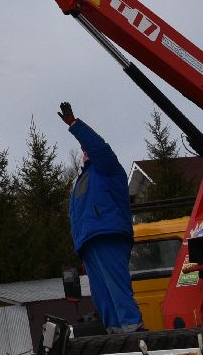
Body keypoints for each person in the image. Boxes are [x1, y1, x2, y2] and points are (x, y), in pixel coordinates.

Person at [60, 101, 143, 334]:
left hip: (107, 234)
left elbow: (98, 146)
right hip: (89, 242)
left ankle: (133, 330)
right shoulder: (84, 179)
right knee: (102, 294)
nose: (85, 151)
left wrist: (75, 125)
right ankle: (116, 333)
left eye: (87, 149)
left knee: (116, 287)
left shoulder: (108, 168)